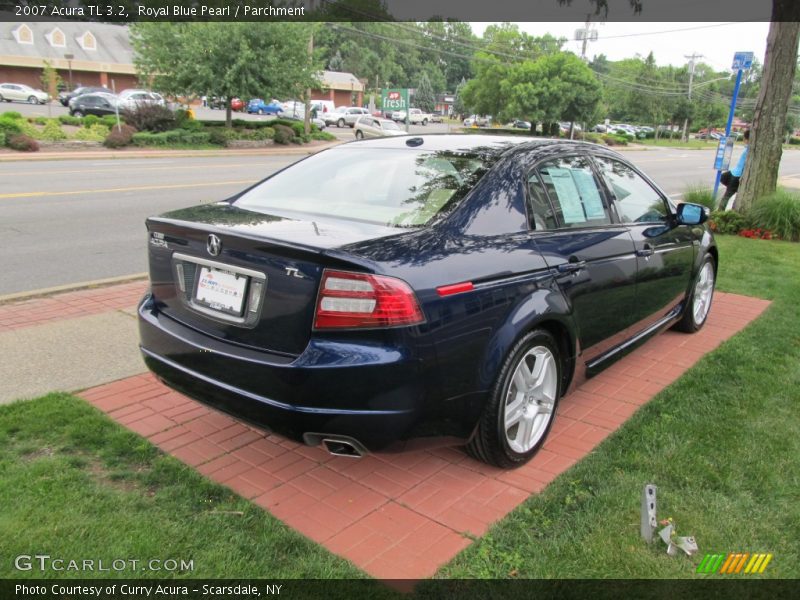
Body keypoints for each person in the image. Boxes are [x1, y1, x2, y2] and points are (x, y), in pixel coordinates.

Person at [719, 129, 750, 209]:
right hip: (734, 172)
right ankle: (734, 189)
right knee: (723, 177)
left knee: (727, 196)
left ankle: (720, 211)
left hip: (737, 176)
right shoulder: (747, 148)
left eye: (744, 138)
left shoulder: (749, 149)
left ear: (746, 139)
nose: (743, 140)